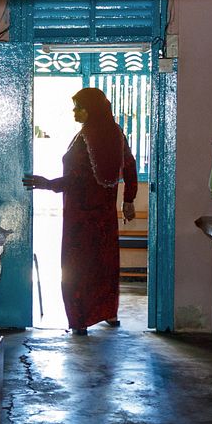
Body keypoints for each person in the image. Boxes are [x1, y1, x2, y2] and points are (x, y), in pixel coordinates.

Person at [23, 87, 138, 335]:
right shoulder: (115, 133)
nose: (74, 112)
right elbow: (129, 164)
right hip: (105, 217)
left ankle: (81, 319)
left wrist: (47, 184)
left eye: (79, 107)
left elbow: (78, 180)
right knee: (104, 264)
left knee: (77, 268)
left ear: (92, 109)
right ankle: (109, 312)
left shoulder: (87, 138)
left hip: (81, 217)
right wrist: (128, 199)